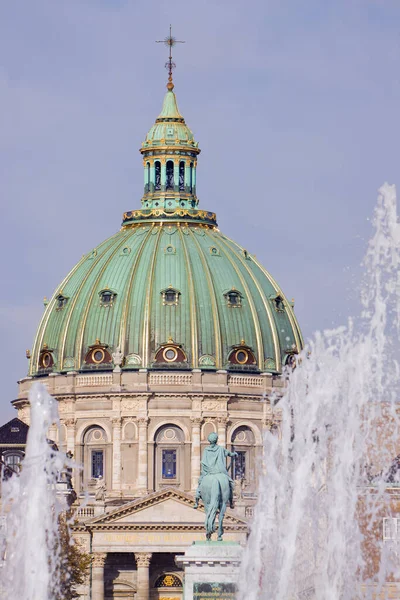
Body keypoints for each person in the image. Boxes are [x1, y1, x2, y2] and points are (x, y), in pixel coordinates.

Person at [194, 432, 238, 509]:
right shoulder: (220, 449)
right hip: (220, 471)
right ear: (216, 440)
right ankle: (231, 501)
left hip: (208, 471)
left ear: (209, 441)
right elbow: (229, 453)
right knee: (230, 484)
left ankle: (197, 500)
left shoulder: (206, 450)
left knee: (200, 483)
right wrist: (234, 454)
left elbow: (204, 462)